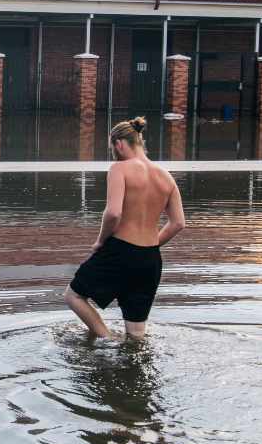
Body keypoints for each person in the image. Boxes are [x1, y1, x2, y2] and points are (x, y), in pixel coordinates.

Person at [64, 117, 185, 340]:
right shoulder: (166, 177)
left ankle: (107, 339)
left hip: (120, 251)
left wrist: (100, 241)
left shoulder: (120, 169)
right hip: (150, 259)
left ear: (119, 143)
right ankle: (131, 361)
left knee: (73, 296)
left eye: (113, 148)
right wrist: (150, 245)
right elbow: (178, 223)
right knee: (137, 333)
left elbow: (113, 213)